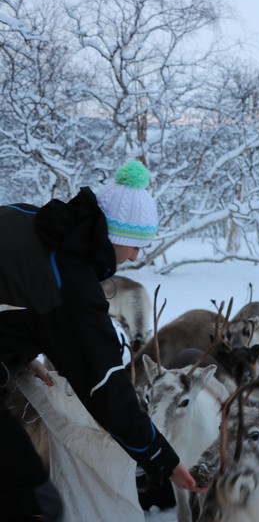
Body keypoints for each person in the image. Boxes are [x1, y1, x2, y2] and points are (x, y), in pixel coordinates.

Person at [0, 160, 201, 521]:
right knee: (29, 498)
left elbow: (18, 294)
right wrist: (164, 461)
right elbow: (106, 388)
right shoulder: (72, 287)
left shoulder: (29, 218)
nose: (137, 256)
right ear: (114, 238)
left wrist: (19, 344)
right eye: (135, 245)